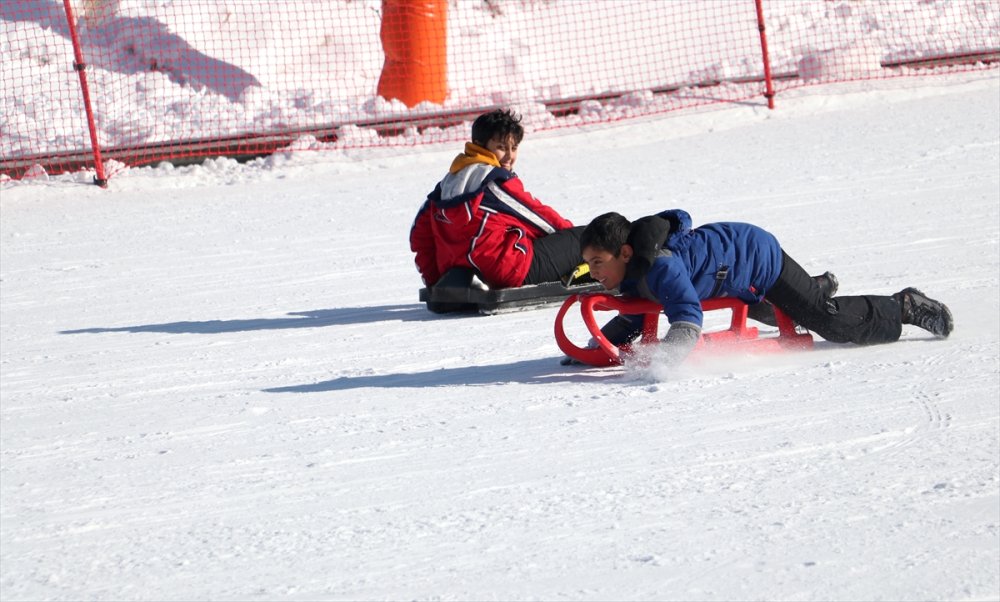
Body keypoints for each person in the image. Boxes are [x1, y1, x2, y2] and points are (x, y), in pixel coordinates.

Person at [577, 209, 953, 365]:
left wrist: (666, 360)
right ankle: (815, 286)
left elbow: (686, 317)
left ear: (624, 253)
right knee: (774, 313)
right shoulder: (632, 270)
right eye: (589, 265)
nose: (594, 273)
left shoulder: (661, 268)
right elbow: (638, 312)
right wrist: (599, 346)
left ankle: (902, 306)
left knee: (827, 322)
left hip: (756, 258)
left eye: (598, 263)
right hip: (732, 278)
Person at [410, 108, 586, 290]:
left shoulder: (445, 185)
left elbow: (419, 235)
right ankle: (603, 268)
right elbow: (541, 219)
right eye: (502, 148)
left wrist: (436, 280)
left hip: (460, 272)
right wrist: (578, 244)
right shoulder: (494, 182)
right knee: (589, 236)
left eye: (514, 148)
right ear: (480, 145)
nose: (510, 156)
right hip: (508, 271)